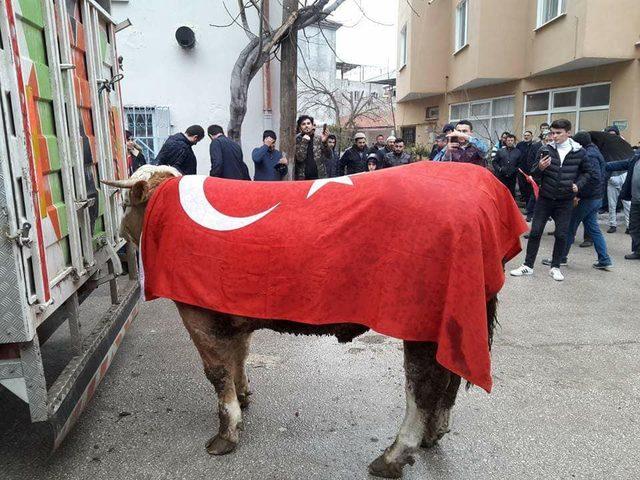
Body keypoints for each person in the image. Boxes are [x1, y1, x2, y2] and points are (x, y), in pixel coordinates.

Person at [510, 119, 595, 282]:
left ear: (568, 133)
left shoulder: (579, 152)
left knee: (562, 234)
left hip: (565, 200)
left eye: (558, 133)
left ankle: (555, 267)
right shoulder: (545, 149)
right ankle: (528, 266)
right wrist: (540, 168)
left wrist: (579, 185)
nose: (554, 136)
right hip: (545, 198)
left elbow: (588, 172)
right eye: (552, 133)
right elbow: (533, 174)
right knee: (535, 232)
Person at [541, 132, 611, 270]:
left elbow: (593, 177)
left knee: (568, 227)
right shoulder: (595, 151)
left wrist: (578, 192)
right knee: (593, 228)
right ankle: (604, 259)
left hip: (588, 198)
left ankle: (561, 258)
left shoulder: (589, 155)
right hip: (596, 197)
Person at [605, 149, 640, 259]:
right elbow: (621, 164)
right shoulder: (636, 159)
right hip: (636, 201)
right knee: (634, 227)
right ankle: (638, 251)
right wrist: (602, 164)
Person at [294, 115, 330, 180]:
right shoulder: (297, 139)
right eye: (303, 124)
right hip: (303, 178)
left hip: (319, 177)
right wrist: (304, 142)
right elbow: (300, 159)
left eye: (308, 123)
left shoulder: (318, 138)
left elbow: (329, 156)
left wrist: (325, 142)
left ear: (312, 125)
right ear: (300, 127)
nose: (306, 126)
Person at [493, 134, 521, 198]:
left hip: (512, 177)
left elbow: (520, 164)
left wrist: (515, 170)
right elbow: (494, 162)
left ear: (514, 141)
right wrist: (499, 169)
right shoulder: (500, 151)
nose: (510, 142)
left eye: (511, 140)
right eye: (508, 140)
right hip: (501, 176)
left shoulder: (518, 152)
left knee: (511, 194)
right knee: (501, 193)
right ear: (506, 141)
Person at [516, 131, 535, 205]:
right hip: (521, 169)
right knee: (522, 186)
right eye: (525, 135)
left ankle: (528, 205)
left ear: (531, 136)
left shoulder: (534, 145)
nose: (526, 137)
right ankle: (524, 199)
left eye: (528, 135)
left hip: (531, 170)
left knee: (530, 188)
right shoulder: (520, 145)